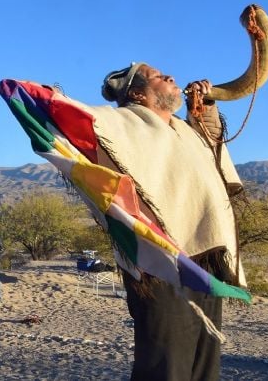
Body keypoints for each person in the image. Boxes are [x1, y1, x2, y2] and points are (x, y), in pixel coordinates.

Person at [98, 62, 244, 380]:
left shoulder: (184, 131)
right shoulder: (121, 123)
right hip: (158, 262)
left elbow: (214, 158)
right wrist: (49, 101)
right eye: (158, 77)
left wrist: (204, 109)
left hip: (206, 255)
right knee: (166, 366)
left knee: (204, 365)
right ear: (137, 93)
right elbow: (83, 122)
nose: (171, 77)